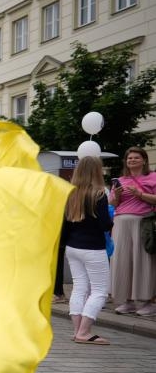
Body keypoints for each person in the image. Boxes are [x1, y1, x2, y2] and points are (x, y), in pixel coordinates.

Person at [63, 156, 113, 344]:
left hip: (73, 247)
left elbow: (65, 224)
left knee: (79, 287)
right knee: (99, 290)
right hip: (93, 247)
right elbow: (104, 225)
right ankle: (84, 332)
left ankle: (77, 331)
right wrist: (112, 208)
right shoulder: (99, 193)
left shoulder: (71, 193)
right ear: (96, 171)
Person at [109, 147, 156, 315]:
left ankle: (146, 302)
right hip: (121, 224)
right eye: (129, 158)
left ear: (144, 160)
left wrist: (140, 194)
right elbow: (113, 204)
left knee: (142, 261)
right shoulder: (120, 180)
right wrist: (117, 195)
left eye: (136, 157)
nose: (132, 160)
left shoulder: (153, 177)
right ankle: (127, 300)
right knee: (123, 262)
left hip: (142, 223)